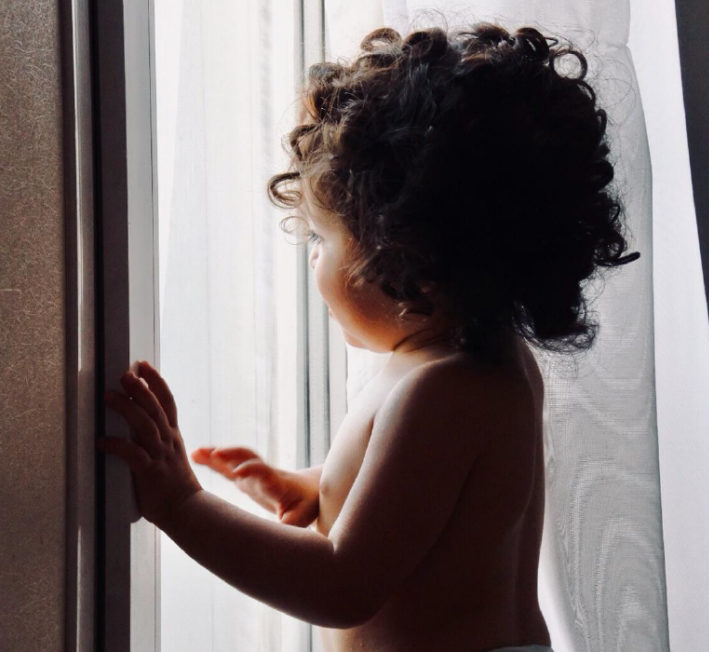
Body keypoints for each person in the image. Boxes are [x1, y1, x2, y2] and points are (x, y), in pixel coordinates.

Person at [98, 22, 639, 652]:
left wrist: (181, 505)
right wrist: (314, 487)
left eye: (323, 241)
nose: (313, 262)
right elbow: (421, 497)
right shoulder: (481, 366)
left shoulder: (442, 392)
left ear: (410, 263)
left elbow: (339, 586)